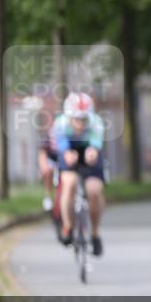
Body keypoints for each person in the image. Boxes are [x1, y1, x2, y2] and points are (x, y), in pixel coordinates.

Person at [51, 92, 107, 256]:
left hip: (88, 150)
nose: (81, 124)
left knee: (94, 191)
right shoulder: (60, 124)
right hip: (69, 149)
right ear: (69, 117)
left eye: (84, 119)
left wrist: (92, 152)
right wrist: (67, 154)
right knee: (69, 184)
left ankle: (95, 235)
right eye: (76, 119)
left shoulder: (96, 123)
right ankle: (68, 227)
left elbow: (95, 145)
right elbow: (62, 146)